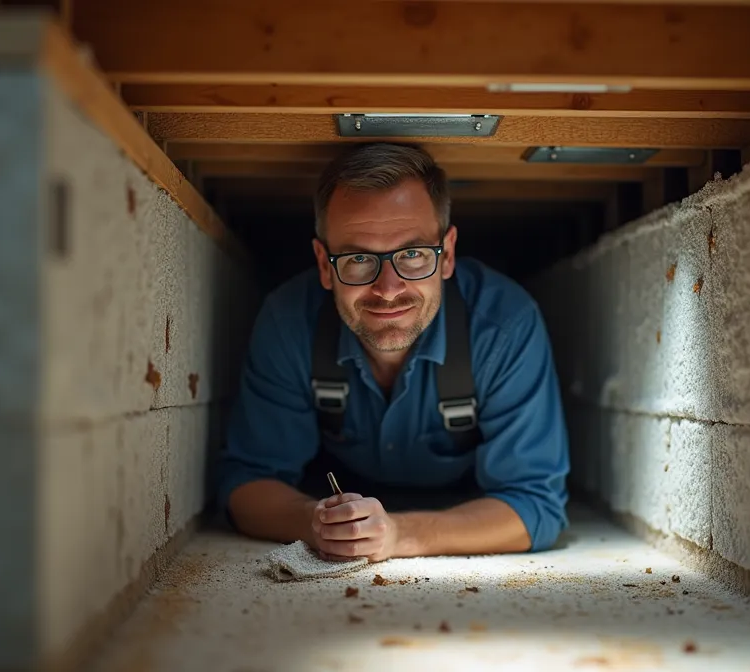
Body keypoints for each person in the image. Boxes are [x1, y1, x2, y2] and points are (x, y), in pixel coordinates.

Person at [214, 142, 569, 562]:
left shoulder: (504, 326)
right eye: (359, 258)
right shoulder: (289, 322)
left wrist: (403, 534)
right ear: (325, 266)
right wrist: (315, 521)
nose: (388, 289)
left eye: (414, 254)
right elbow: (248, 482)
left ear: (448, 254)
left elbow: (535, 504)